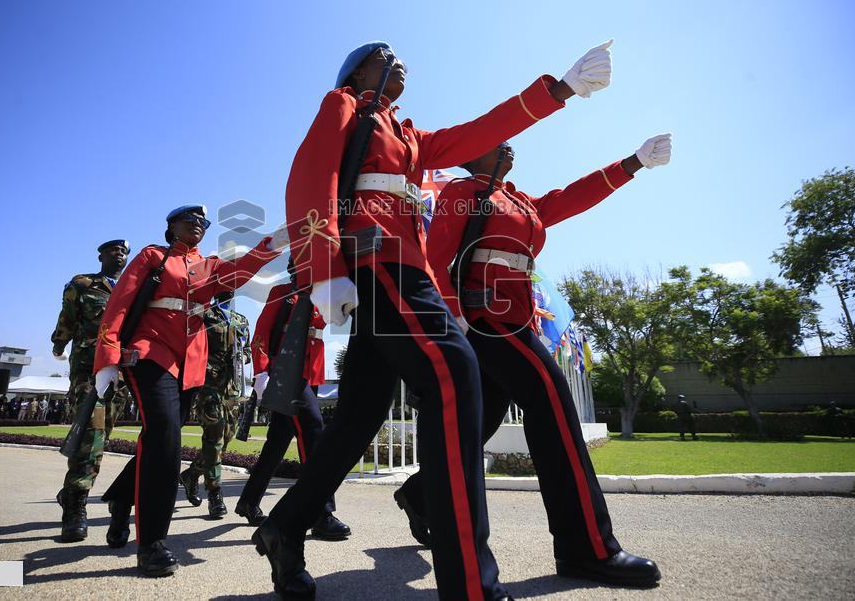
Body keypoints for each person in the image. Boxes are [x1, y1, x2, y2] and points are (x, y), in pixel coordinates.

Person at [254, 39, 614, 601]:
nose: (397, 60)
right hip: (376, 260)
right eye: (382, 55)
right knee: (454, 369)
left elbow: (474, 134)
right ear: (357, 71)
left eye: (400, 57)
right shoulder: (344, 105)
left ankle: (285, 525)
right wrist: (322, 268)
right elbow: (310, 178)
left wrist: (560, 89)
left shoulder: (410, 134)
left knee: (358, 418)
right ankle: (469, 581)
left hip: (403, 264)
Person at [394, 138, 670, 587]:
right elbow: (437, 258)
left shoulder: (517, 199)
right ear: (476, 155)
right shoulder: (462, 194)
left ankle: (421, 494)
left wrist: (632, 163)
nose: (509, 146)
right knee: (554, 405)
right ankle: (587, 548)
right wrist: (454, 321)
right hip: (484, 318)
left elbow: (569, 198)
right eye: (497, 143)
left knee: (481, 420)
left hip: (515, 317)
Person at [97, 205, 283, 576]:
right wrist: (107, 356)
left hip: (190, 365)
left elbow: (240, 271)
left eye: (203, 223)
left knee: (161, 440)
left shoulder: (209, 265)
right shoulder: (153, 256)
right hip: (150, 352)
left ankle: (121, 498)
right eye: (190, 220)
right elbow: (119, 305)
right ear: (171, 227)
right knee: (165, 439)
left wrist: (271, 244)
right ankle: (152, 543)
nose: (197, 225)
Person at [235, 260, 351, 540]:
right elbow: (261, 334)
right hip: (285, 373)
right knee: (313, 431)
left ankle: (249, 502)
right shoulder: (282, 293)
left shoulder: (323, 296)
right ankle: (320, 513)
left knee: (277, 443)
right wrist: (261, 373)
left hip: (309, 375)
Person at [50, 238, 133, 543]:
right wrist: (59, 343)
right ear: (100, 255)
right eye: (113, 250)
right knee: (92, 434)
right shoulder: (82, 284)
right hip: (88, 369)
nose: (119, 254)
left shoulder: (132, 287)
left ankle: (71, 491)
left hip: (120, 375)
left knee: (101, 437)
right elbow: (67, 318)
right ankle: (75, 506)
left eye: (124, 251)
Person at [178, 289, 251, 518]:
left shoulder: (241, 320)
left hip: (232, 389)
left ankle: (192, 474)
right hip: (209, 384)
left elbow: (247, 349)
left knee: (226, 438)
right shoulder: (205, 313)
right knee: (214, 435)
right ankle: (215, 493)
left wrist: (242, 356)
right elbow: (192, 343)